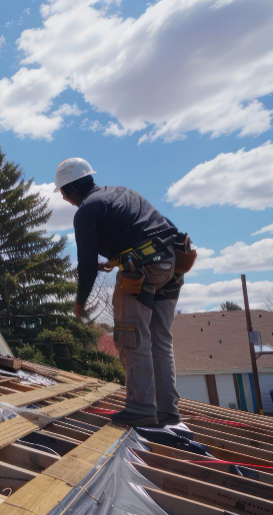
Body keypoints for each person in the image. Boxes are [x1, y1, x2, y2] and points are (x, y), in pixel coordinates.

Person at [57, 157, 187, 427]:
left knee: (131, 336)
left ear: (69, 190)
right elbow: (157, 227)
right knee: (159, 339)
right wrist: (116, 261)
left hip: (144, 270)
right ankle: (167, 412)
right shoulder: (121, 193)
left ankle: (140, 409)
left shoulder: (85, 212)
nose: (63, 197)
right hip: (172, 262)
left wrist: (80, 301)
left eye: (62, 192)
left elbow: (86, 264)